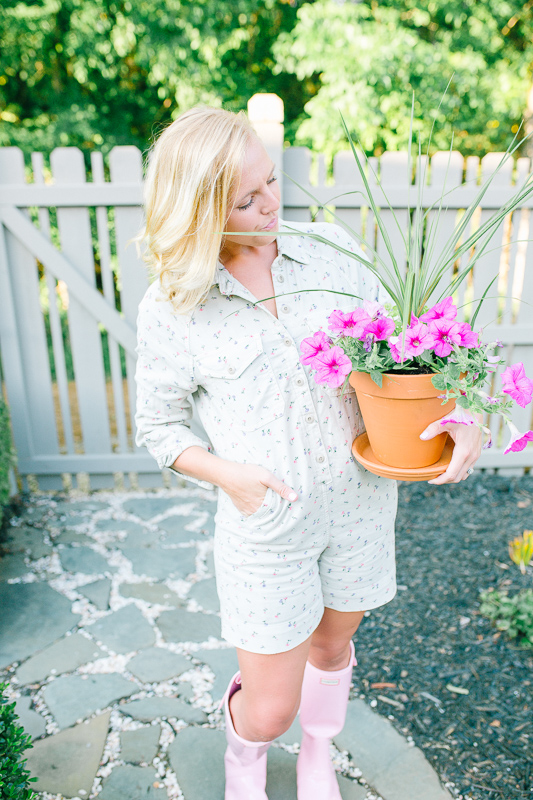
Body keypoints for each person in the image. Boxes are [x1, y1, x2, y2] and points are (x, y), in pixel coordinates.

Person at [135, 106, 482, 800]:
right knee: (270, 708)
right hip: (265, 529)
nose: (273, 203)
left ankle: (318, 754)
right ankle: (246, 755)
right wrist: (228, 477)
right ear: (201, 213)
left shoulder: (327, 251)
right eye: (248, 198)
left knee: (331, 648)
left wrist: (462, 412)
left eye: (270, 180)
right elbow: (159, 428)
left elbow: (413, 350)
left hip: (357, 506)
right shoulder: (175, 304)